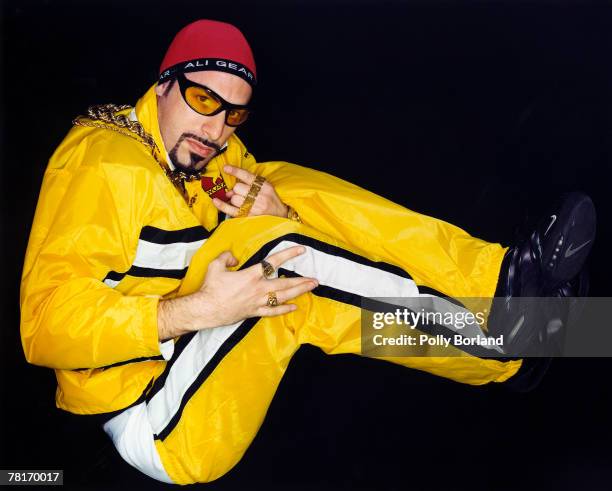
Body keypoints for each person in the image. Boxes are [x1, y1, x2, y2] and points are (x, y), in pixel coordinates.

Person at [19, 19, 596, 484]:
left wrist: (279, 212)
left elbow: (319, 227)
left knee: (285, 193)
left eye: (233, 113)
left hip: (184, 355)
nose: (216, 128)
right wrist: (199, 311)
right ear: (163, 83)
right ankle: (517, 341)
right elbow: (43, 328)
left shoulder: (210, 154)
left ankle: (504, 283)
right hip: (149, 413)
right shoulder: (102, 164)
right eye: (202, 99)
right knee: (287, 262)